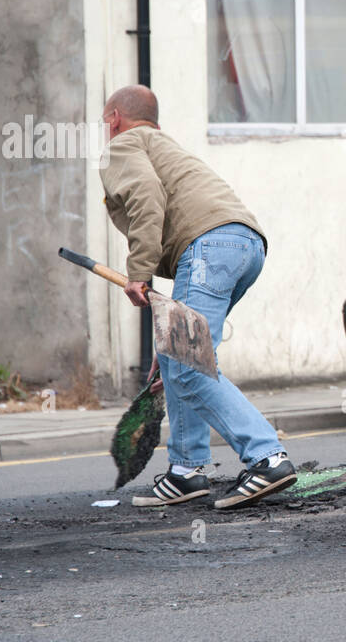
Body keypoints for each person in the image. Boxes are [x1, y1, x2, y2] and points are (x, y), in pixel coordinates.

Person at [99, 84, 297, 510]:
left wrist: (139, 273)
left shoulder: (124, 145)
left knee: (188, 365)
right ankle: (187, 471)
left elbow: (145, 198)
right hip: (244, 245)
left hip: (209, 247)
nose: (104, 128)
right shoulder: (162, 145)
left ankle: (267, 457)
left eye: (105, 120)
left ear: (114, 117)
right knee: (176, 360)